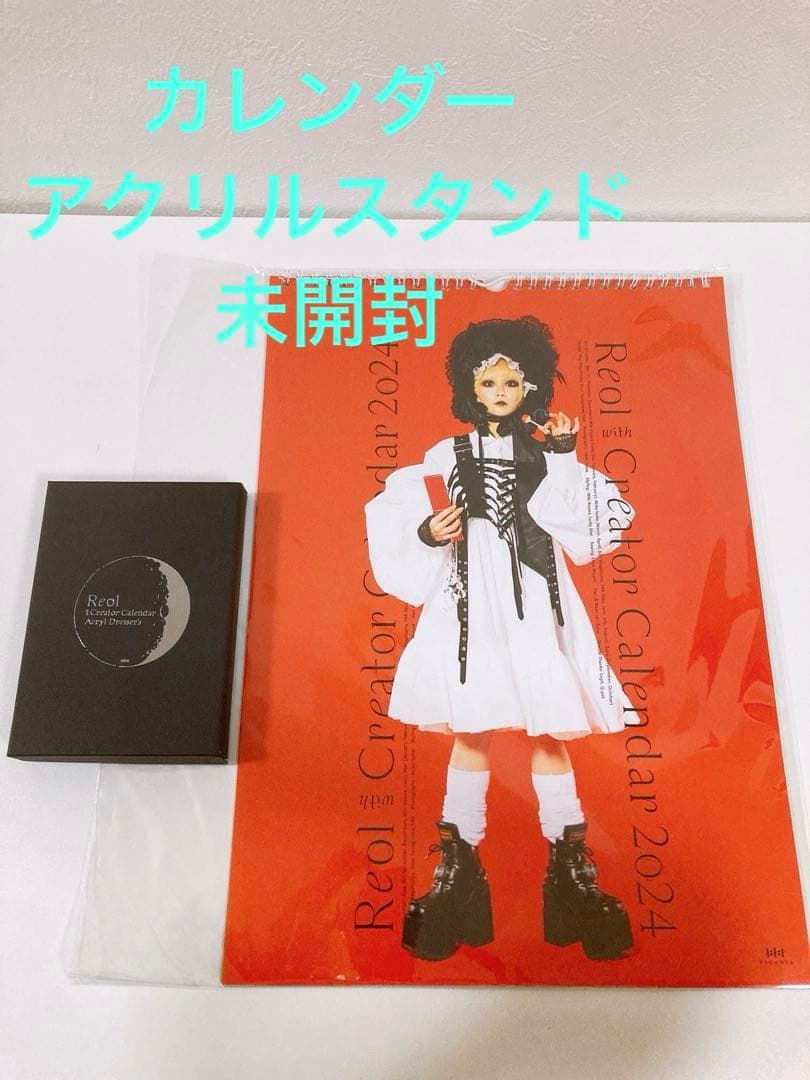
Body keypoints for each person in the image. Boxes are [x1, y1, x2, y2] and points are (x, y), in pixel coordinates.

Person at [365, 315, 634, 962]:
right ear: (471, 387)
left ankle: (569, 868)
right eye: (489, 381)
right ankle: (458, 868)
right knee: (471, 727)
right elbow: (401, 515)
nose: (501, 391)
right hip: (469, 601)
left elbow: (588, 525)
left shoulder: (545, 451)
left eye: (512, 381)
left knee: (548, 728)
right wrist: (428, 531)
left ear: (530, 385)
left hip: (536, 596)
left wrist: (563, 457)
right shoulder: (443, 456)